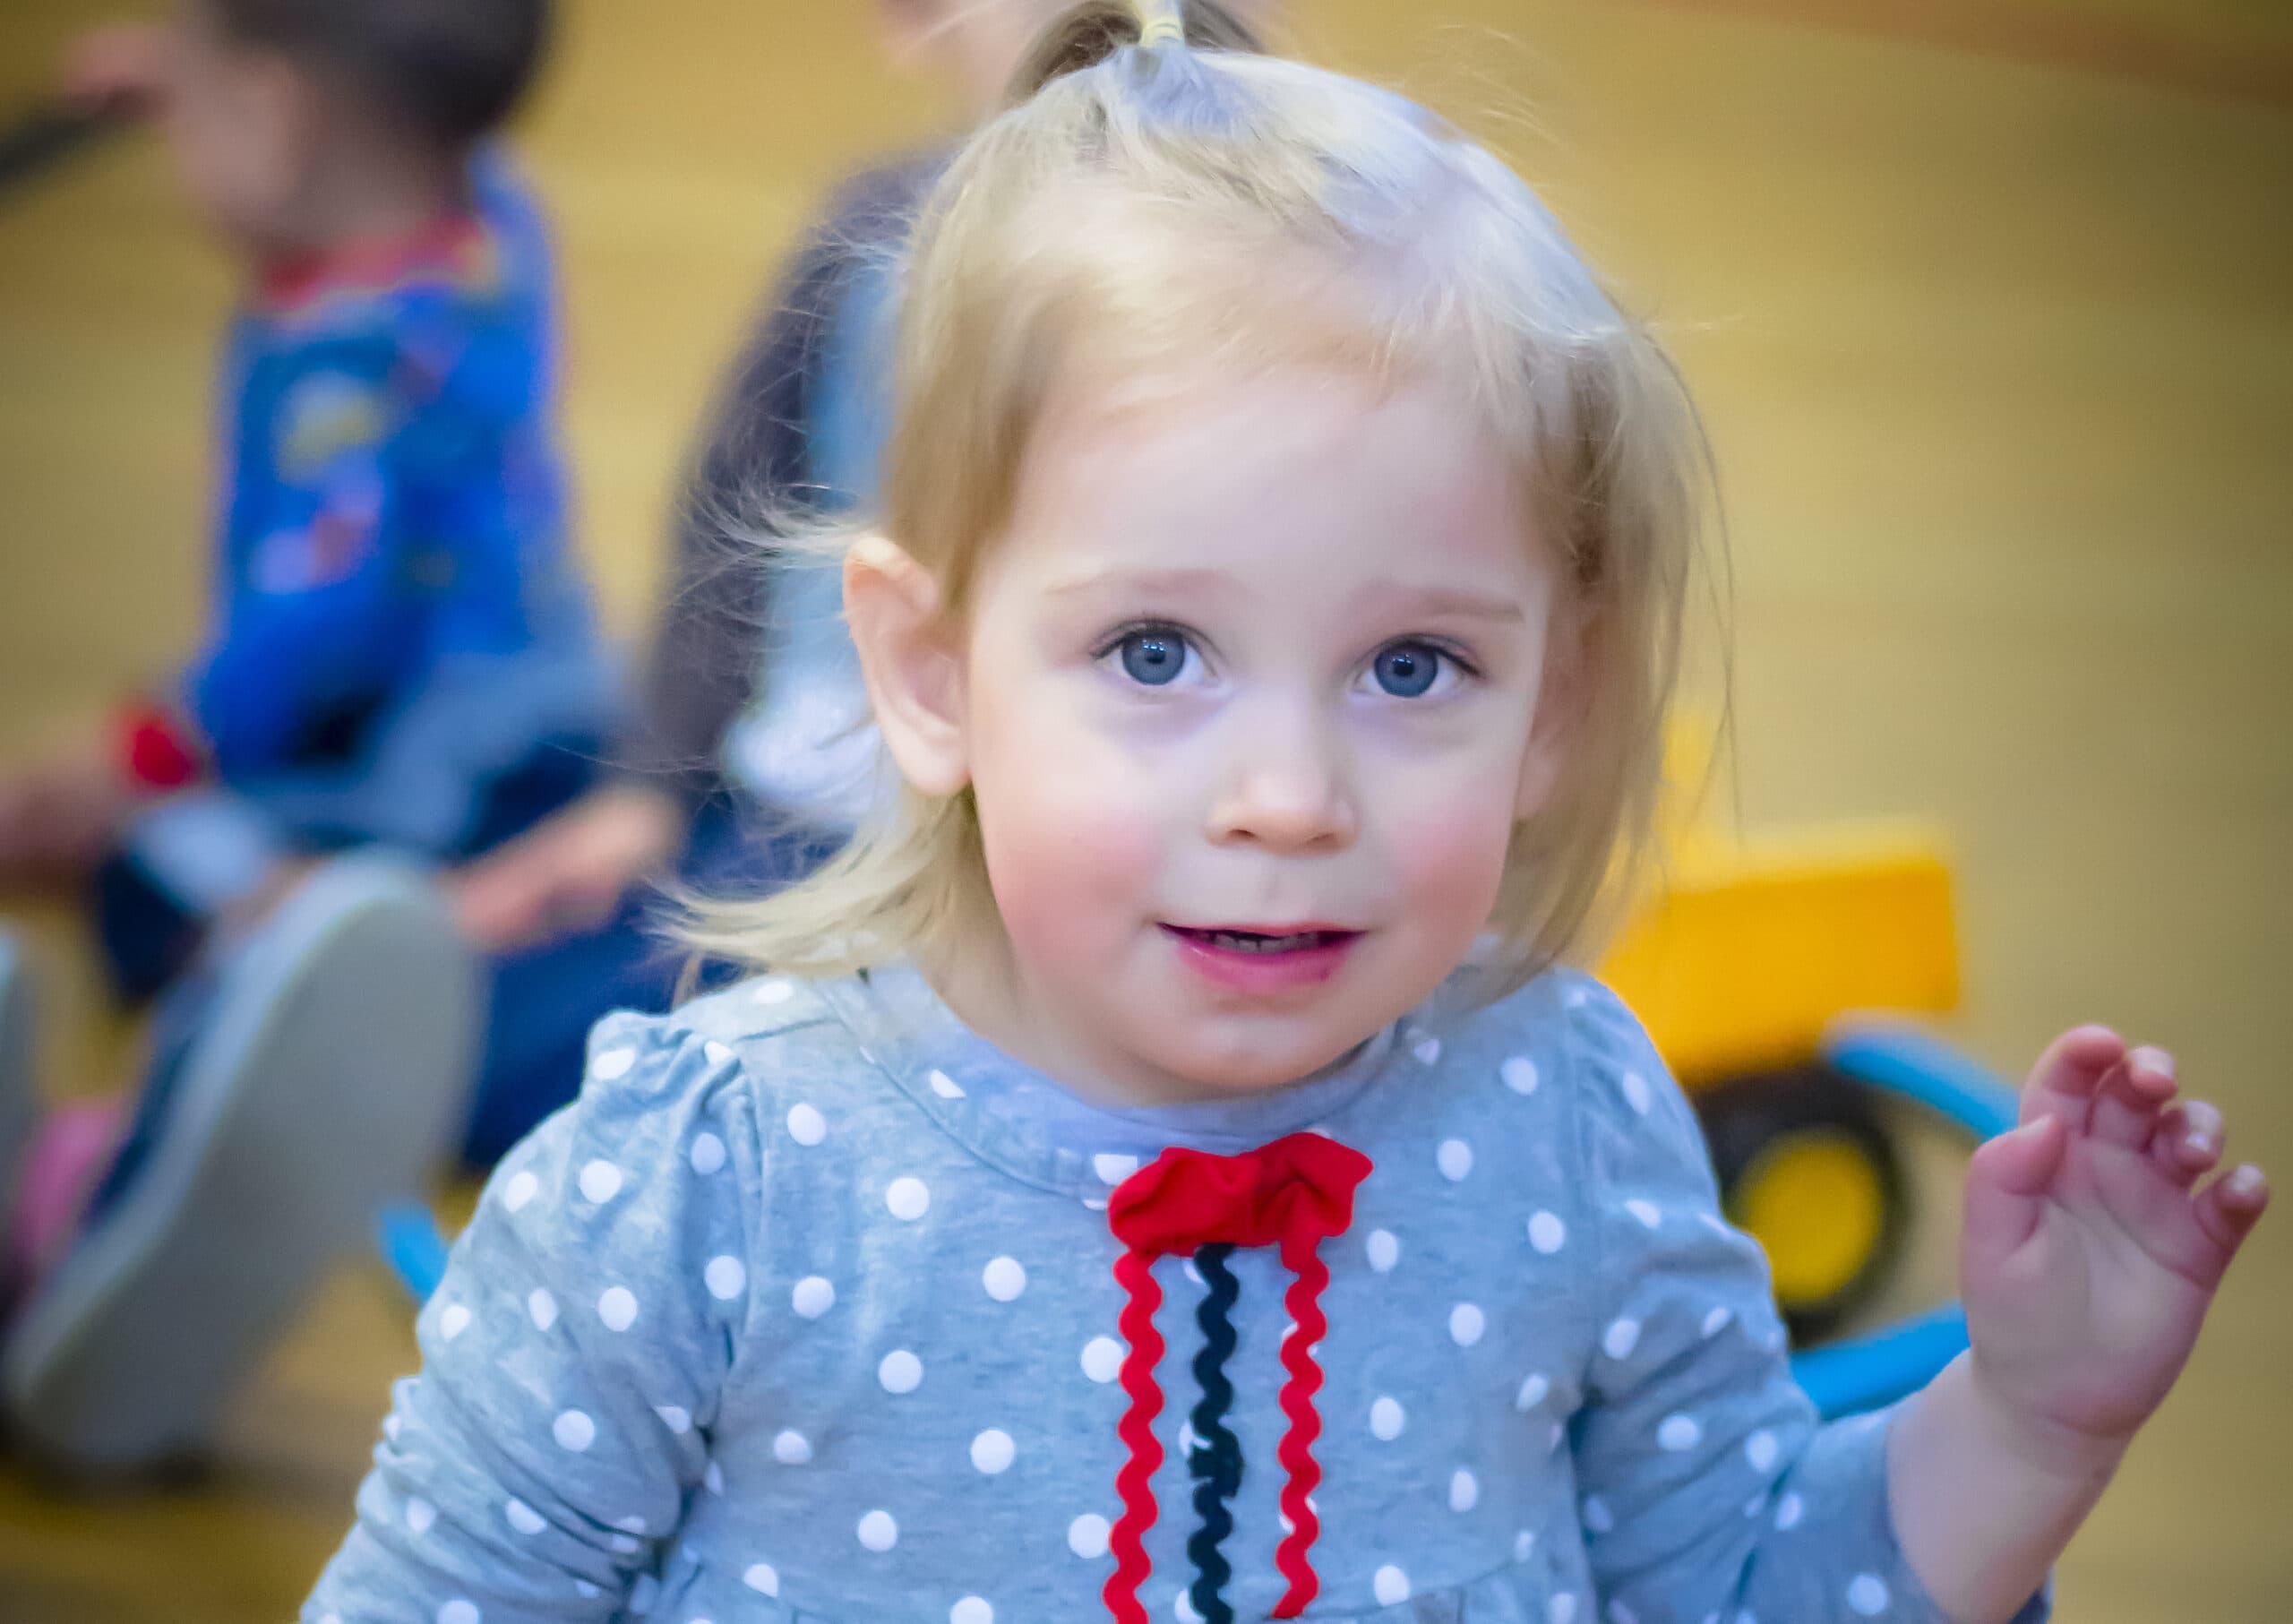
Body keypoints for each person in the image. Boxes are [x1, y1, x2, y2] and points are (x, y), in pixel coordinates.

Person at [314, 1, 2266, 1619]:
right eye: (1155, 651)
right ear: (924, 674)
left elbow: (1746, 1582)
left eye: (1412, 669)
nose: (1282, 796)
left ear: (1551, 707)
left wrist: (2025, 1424)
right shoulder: (704, 1188)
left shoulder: (1562, 1117)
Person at [445, 0, 1271, 1164]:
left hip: (1033, 880)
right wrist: (643, 792)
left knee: (658, 1082)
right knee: (522, 972)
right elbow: (737, 511)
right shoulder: (869, 234)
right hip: (790, 816)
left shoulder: (1266, 281)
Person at [0, 0, 607, 1470]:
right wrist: (193, 70)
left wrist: (127, 764)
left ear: (271, 122)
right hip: (550, 708)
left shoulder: (338, 366)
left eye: (194, 105)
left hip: (398, 772)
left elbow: (304, 628)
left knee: (179, 880)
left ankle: (111, 1194)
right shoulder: (486, 231)